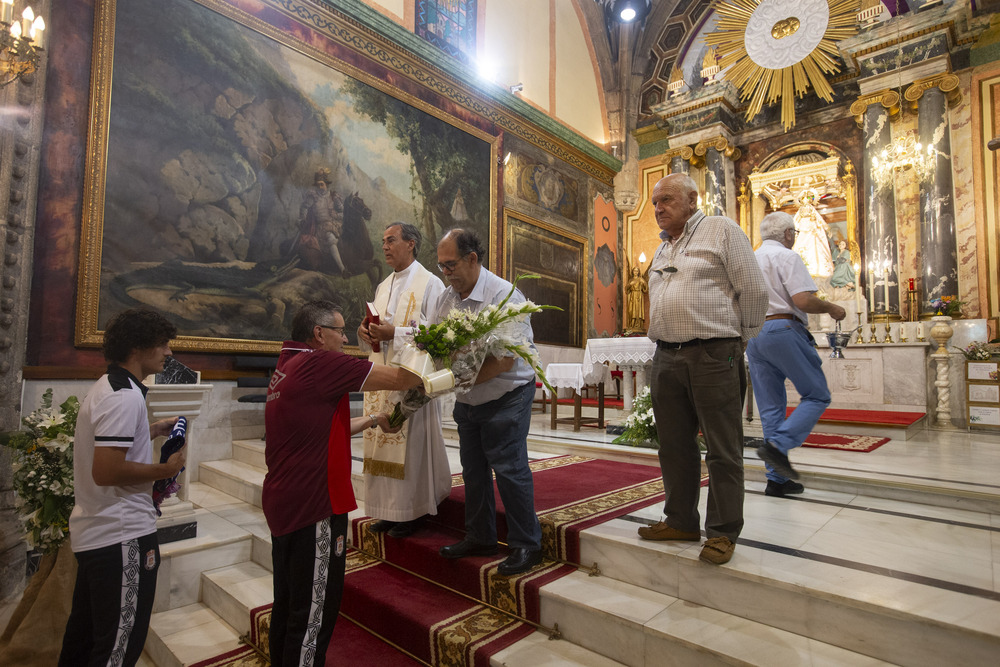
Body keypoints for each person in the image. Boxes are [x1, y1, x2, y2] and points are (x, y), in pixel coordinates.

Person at [263, 301, 421, 667]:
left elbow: (319, 428)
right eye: (340, 331)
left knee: (288, 606)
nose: (346, 338)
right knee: (313, 615)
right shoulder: (319, 362)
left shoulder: (287, 367)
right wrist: (443, 352)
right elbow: (401, 378)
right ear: (319, 334)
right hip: (314, 505)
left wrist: (373, 419)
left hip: (286, 502)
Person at [638, 173, 768, 566]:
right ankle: (680, 520)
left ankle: (722, 532)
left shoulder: (721, 231)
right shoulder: (663, 249)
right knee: (674, 446)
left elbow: (754, 291)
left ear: (692, 200)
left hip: (713, 353)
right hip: (667, 356)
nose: (658, 208)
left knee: (722, 449)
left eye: (667, 200)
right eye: (655, 202)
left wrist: (738, 338)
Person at [59, 309, 185, 667]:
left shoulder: (112, 387)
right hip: (121, 535)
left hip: (101, 532)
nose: (168, 352)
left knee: (83, 640)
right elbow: (107, 469)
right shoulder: (124, 397)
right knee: (118, 647)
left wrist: (152, 429)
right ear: (137, 347)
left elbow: (114, 448)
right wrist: (166, 468)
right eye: (162, 344)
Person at [432, 228, 543, 576]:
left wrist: (449, 380)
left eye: (451, 266)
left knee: (509, 468)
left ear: (472, 259)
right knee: (473, 470)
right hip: (468, 398)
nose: (446, 275)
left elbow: (505, 361)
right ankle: (480, 536)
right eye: (441, 267)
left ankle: (527, 544)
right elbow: (436, 343)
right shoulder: (447, 298)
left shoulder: (504, 296)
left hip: (507, 393)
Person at [357, 222, 450, 538]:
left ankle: (413, 512)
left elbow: (440, 335)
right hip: (382, 373)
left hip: (412, 378)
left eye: (391, 240)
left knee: (410, 445)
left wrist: (393, 333)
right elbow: (377, 324)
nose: (384, 246)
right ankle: (388, 511)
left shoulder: (431, 284)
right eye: (382, 241)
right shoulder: (383, 285)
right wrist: (366, 331)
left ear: (411, 243)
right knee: (380, 443)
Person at [747, 212, 847, 496]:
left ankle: (776, 480)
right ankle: (779, 445)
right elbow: (802, 300)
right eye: (795, 234)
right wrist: (831, 308)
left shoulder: (750, 259)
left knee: (770, 409)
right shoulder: (787, 257)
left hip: (755, 335)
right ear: (788, 234)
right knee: (817, 394)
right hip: (783, 330)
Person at [298, 167, 346, 274]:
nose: (320, 187)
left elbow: (344, 212)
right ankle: (342, 269)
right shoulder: (313, 196)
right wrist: (302, 218)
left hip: (335, 224)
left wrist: (337, 215)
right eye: (318, 184)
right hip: (321, 226)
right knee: (330, 237)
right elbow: (304, 207)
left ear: (326, 184)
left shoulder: (334, 197)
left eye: (322, 184)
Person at [792, 195, 834, 277]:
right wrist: (794, 229)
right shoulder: (800, 210)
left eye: (806, 200)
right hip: (803, 228)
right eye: (803, 200)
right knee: (800, 245)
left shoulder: (812, 209)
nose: (805, 203)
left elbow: (819, 219)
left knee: (814, 247)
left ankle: (816, 268)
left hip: (812, 229)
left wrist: (826, 228)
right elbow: (795, 220)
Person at [625, 266, 648, 331]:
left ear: (638, 272)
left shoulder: (640, 279)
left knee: (638, 311)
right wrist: (630, 284)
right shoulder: (631, 280)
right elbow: (626, 289)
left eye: (637, 271)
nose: (636, 272)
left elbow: (645, 289)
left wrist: (644, 283)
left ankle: (638, 325)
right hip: (632, 296)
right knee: (632, 311)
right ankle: (632, 325)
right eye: (634, 271)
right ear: (632, 272)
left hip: (639, 296)